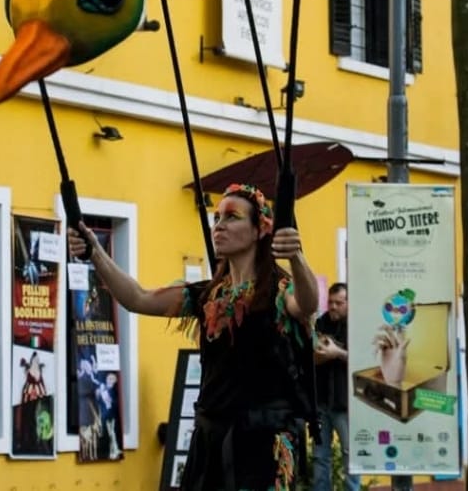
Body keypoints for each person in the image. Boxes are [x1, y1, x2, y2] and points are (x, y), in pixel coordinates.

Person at [68, 183, 319, 490]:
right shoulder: (207, 295)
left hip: (262, 445)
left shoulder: (280, 291)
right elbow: (138, 298)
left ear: (260, 229)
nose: (220, 226)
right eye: (217, 219)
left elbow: (307, 303)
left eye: (232, 217)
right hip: (211, 441)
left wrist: (296, 257)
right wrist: (95, 251)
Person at [313, 283, 360, 491]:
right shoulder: (320, 323)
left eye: (338, 303)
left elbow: (364, 362)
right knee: (320, 458)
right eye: (330, 302)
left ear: (349, 304)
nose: (332, 306)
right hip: (321, 402)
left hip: (346, 405)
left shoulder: (357, 326)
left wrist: (337, 353)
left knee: (351, 457)